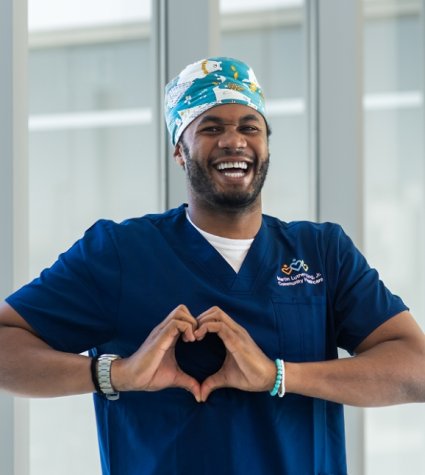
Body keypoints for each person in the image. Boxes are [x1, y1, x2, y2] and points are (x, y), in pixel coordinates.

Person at [0, 56, 424, 475]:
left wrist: (278, 376)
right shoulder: (120, 253)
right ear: (180, 152)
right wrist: (118, 373)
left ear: (266, 145)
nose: (233, 140)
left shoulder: (321, 252)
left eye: (249, 127)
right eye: (211, 127)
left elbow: (416, 369)